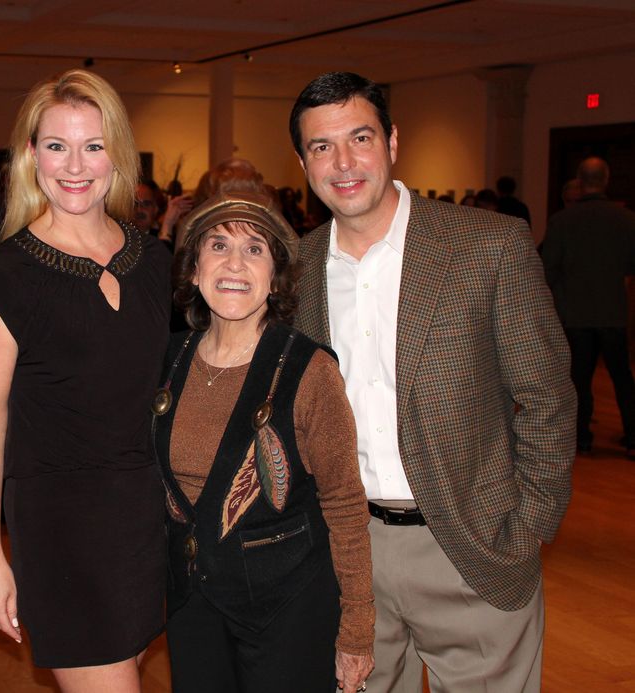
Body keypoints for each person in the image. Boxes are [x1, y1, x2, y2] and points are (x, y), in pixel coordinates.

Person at [288, 71, 575, 692]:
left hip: (471, 545)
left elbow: (547, 399)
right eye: (321, 146)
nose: (344, 161)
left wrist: (524, 530)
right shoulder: (298, 267)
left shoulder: (487, 246)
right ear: (302, 162)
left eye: (360, 137)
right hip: (345, 555)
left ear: (392, 142)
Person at [0, 69, 169, 692]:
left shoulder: (155, 261)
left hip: (148, 521)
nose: (74, 165)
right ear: (31, 156)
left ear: (118, 155)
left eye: (93, 145)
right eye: (56, 146)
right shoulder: (2, 279)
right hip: (62, 531)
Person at [155, 188, 374, 692]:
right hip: (193, 605)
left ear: (275, 278)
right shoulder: (169, 359)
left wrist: (357, 632)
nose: (235, 263)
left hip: (288, 609)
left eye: (255, 249)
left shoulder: (309, 370)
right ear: (193, 269)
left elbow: (343, 503)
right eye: (217, 246)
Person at [542, 156, 635, 457]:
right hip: (613, 312)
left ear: (580, 182)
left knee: (579, 378)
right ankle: (633, 436)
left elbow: (548, 268)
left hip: (575, 312)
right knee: (622, 377)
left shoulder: (562, 221)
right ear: (606, 180)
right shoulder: (626, 220)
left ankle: (581, 437)